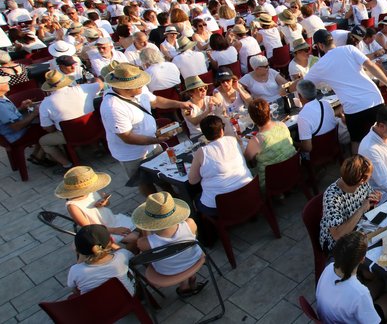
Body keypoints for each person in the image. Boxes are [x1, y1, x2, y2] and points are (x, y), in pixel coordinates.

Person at [100, 63, 194, 196]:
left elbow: (156, 101)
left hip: (152, 144)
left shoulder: (139, 89)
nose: (142, 85)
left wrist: (180, 104)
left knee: (164, 175)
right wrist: (155, 140)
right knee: (144, 183)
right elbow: (127, 137)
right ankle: (155, 205)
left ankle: (173, 196)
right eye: (138, 84)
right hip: (132, 155)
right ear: (126, 88)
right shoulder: (112, 107)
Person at [306, 29, 387, 153]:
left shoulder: (320, 65)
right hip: (374, 99)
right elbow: (371, 66)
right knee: (382, 136)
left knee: (357, 141)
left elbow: (304, 84)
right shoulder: (349, 48)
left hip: (354, 108)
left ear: (320, 46)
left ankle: (359, 171)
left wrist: (287, 88)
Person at [315, 231, 387, 324]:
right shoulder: (360, 293)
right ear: (362, 259)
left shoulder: (328, 268)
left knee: (380, 283)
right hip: (347, 318)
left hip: (330, 317)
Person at [132, 192, 205, 297]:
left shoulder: (146, 243)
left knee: (172, 259)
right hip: (194, 260)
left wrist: (145, 229)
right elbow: (195, 239)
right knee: (184, 253)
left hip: (168, 271)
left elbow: (146, 251)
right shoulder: (190, 224)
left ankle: (184, 285)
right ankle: (191, 277)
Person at [55, 166, 136, 246]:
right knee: (135, 238)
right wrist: (114, 230)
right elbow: (90, 228)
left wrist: (104, 202)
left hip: (113, 220)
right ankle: (129, 255)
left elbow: (107, 204)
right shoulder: (73, 206)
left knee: (142, 228)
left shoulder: (92, 191)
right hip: (102, 232)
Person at [188, 115, 252, 215]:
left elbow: (192, 181)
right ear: (222, 130)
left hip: (222, 205)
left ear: (204, 134)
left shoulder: (201, 152)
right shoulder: (232, 140)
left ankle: (205, 229)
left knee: (195, 199)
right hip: (248, 192)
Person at [38, 69, 100, 169]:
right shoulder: (82, 88)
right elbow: (99, 84)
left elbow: (49, 128)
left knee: (43, 142)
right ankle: (96, 148)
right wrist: (96, 78)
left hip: (70, 136)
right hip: (94, 128)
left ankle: (67, 164)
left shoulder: (45, 104)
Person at [319, 155, 381, 251]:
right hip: (338, 245)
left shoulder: (358, 182)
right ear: (362, 180)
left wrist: (374, 200)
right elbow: (337, 235)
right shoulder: (332, 198)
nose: (370, 177)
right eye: (369, 176)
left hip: (359, 229)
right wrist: (361, 210)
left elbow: (368, 202)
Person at [66, 224, 135, 296]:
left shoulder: (75, 270)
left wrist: (80, 255)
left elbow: (72, 287)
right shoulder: (122, 255)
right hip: (127, 298)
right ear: (111, 241)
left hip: (97, 306)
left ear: (78, 251)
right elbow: (132, 254)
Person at [243, 98, 296, 189]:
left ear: (252, 118)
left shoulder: (257, 141)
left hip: (272, 182)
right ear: (269, 112)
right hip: (294, 169)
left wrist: (240, 143)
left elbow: (247, 159)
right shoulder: (281, 124)